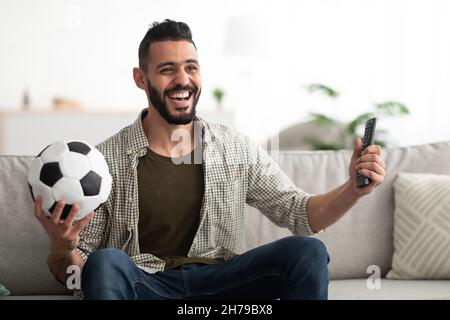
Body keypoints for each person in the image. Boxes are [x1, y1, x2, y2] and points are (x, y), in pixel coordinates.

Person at [34, 19, 385, 300]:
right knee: (106, 262)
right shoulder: (103, 161)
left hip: (225, 284)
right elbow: (77, 274)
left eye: (191, 67)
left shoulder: (233, 147)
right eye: (168, 69)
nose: (183, 80)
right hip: (149, 285)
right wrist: (62, 249)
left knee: (307, 252)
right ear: (141, 79)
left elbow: (299, 212)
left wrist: (353, 189)